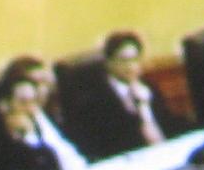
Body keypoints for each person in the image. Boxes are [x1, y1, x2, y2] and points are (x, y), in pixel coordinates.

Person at [64, 31, 187, 161]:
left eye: (135, 60)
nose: (131, 67)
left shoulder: (148, 87)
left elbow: (168, 123)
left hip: (163, 157)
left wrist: (145, 108)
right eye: (124, 61)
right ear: (109, 63)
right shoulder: (95, 100)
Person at [0, 75, 87, 170]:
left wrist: (31, 134)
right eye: (24, 102)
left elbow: (71, 162)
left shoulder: (42, 123)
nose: (31, 108)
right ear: (5, 106)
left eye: (34, 101)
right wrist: (26, 136)